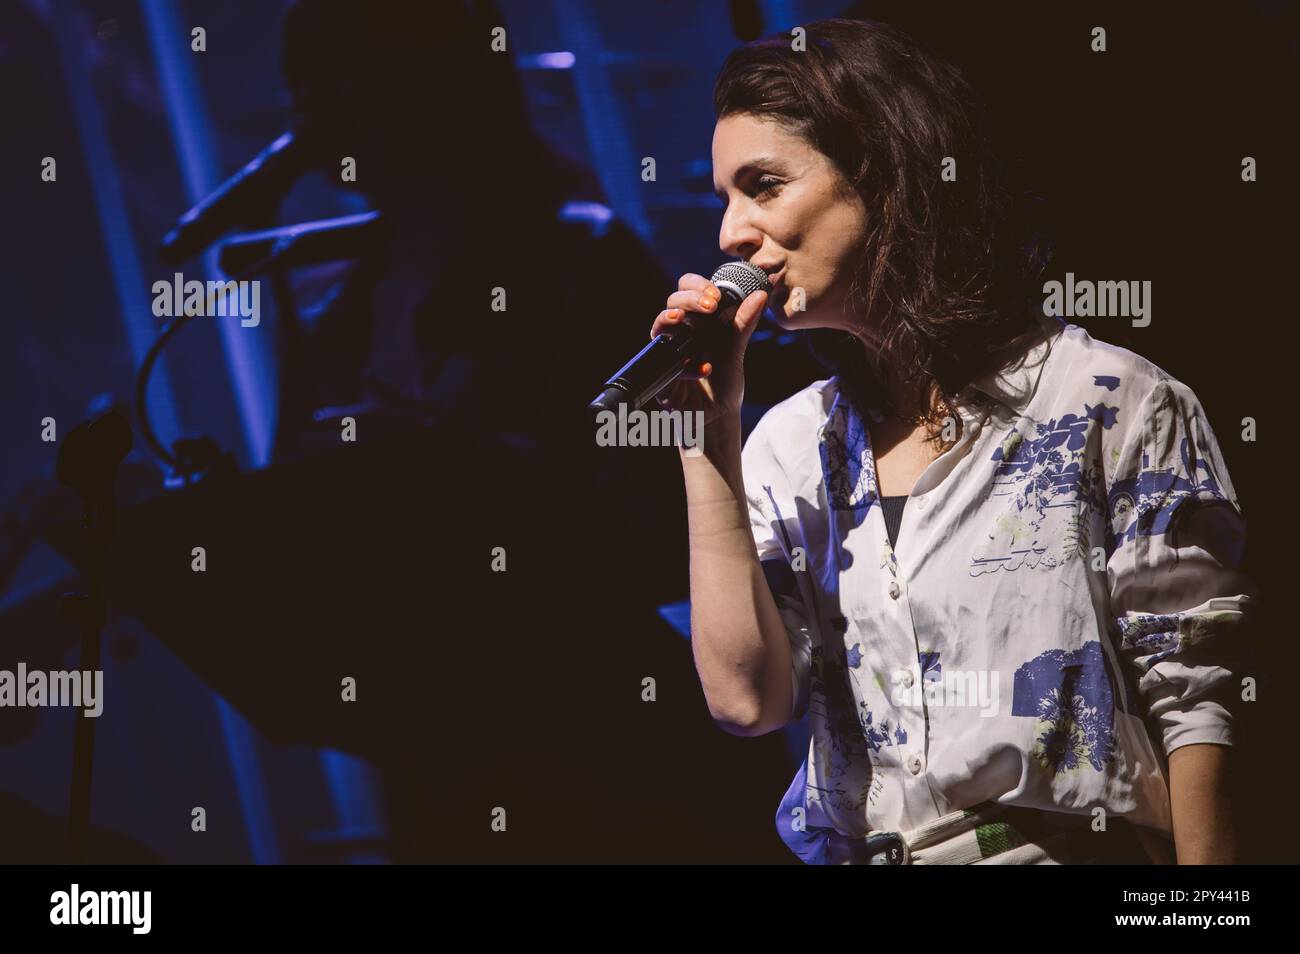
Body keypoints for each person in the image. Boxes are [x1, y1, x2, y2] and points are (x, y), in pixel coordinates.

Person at [650, 18, 1257, 865]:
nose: (731, 233)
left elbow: (1200, 706)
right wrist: (708, 437)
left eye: (763, 186)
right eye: (724, 198)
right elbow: (747, 701)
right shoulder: (788, 446)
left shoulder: (1103, 401)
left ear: (882, 174)